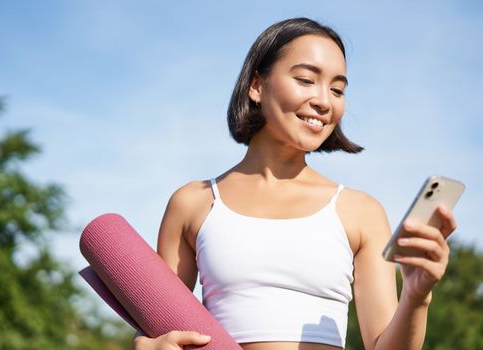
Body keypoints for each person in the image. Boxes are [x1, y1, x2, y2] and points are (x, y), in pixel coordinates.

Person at [133, 17, 457, 350]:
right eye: (306, 80)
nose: (324, 101)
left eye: (337, 89)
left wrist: (417, 296)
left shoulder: (362, 212)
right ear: (257, 86)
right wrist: (148, 345)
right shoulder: (193, 203)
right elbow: (158, 324)